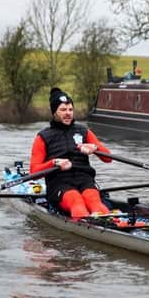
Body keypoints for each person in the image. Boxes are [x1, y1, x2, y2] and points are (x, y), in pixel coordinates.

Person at [29, 87, 113, 220]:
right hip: (59, 183)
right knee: (76, 201)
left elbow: (108, 159)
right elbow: (33, 173)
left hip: (85, 180)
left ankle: (110, 224)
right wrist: (54, 162)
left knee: (95, 202)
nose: (68, 113)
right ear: (54, 112)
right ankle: (90, 226)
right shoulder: (43, 137)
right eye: (63, 110)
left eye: (70, 110)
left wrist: (95, 148)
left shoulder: (84, 131)